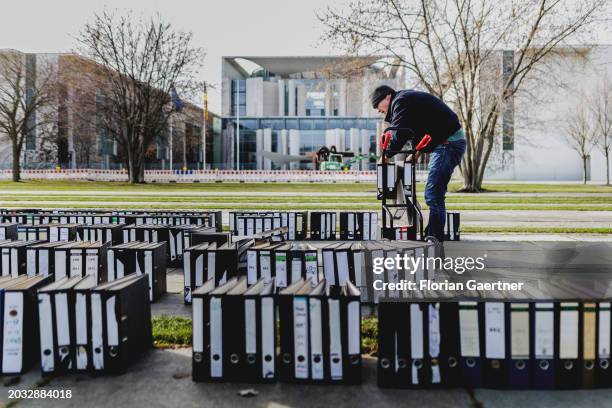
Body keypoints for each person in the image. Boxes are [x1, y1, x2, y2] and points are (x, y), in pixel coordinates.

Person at [371, 85, 466, 241]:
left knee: (433, 195)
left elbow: (399, 133)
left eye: (377, 105)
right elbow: (426, 127)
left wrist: (386, 155)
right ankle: (431, 235)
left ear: (387, 97)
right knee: (433, 194)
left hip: (447, 144)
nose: (377, 110)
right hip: (446, 143)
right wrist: (416, 152)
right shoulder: (406, 100)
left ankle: (434, 239)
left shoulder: (400, 101)